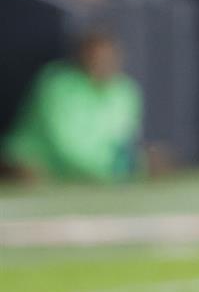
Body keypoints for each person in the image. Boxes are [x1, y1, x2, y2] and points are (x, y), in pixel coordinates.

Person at [3, 31, 142, 182]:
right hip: (37, 162)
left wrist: (136, 164)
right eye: (96, 58)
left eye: (108, 58)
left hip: (93, 172)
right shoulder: (56, 85)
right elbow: (63, 144)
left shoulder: (125, 91)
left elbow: (120, 143)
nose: (102, 63)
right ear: (81, 58)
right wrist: (100, 173)